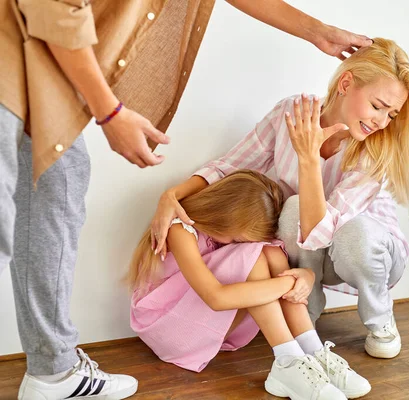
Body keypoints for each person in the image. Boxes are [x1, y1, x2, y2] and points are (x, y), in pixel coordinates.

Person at [0, 0, 373, 398]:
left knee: (59, 197)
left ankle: (308, 355)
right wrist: (109, 112)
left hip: (40, 77)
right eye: (380, 107)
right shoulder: (185, 230)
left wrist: (315, 31)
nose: (383, 120)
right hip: (15, 64)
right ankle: (288, 361)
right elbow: (55, 10)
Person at [151, 38, 409, 362]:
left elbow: (324, 229)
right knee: (291, 209)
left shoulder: (375, 150)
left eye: (392, 114)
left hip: (369, 254)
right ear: (346, 83)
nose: (382, 122)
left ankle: (379, 318)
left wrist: (308, 160)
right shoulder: (291, 113)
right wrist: (171, 195)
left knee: (353, 233)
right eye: (377, 106)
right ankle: (305, 315)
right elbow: (230, 165)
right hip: (313, 253)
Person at [129, 169, 372, 399]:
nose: (235, 242)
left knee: (272, 253)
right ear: (224, 215)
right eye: (236, 237)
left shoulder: (223, 236)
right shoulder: (180, 230)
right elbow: (216, 299)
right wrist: (290, 283)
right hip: (169, 327)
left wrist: (306, 275)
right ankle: (287, 360)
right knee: (253, 256)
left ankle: (312, 351)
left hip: (201, 321)